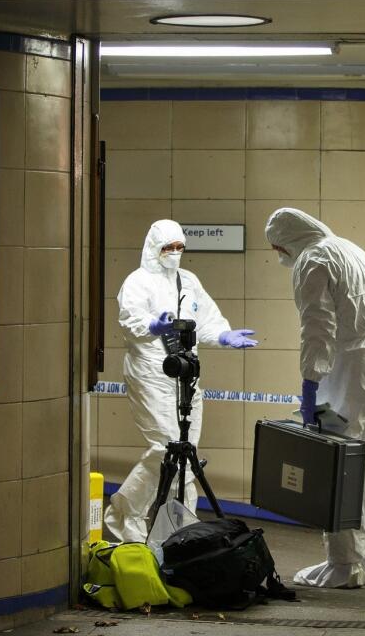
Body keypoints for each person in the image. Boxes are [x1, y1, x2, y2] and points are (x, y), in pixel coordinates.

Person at [265, 207, 365, 589]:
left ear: (288, 240)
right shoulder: (349, 249)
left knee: (338, 463)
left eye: (277, 248)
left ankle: (343, 565)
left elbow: (318, 326)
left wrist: (309, 383)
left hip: (350, 365)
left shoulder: (312, 259)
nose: (279, 256)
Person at [104, 219, 258, 543]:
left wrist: (224, 335)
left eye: (179, 247)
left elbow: (205, 320)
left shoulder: (187, 281)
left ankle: (168, 530)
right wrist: (153, 326)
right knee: (167, 449)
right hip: (150, 372)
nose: (174, 253)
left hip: (185, 375)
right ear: (154, 248)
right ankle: (151, 522)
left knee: (184, 451)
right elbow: (130, 321)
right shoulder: (137, 282)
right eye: (167, 248)